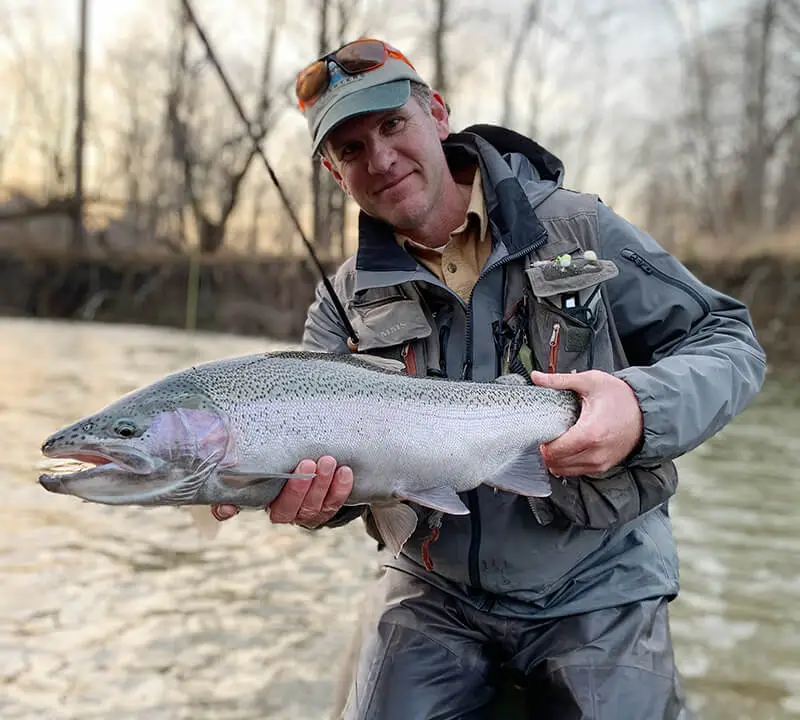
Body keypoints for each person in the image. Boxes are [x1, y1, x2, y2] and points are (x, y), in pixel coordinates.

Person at [212, 38, 767, 719]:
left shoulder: (578, 228)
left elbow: (729, 342)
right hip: (432, 589)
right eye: (351, 149)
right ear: (335, 174)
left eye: (392, 124)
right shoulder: (342, 300)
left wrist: (639, 408)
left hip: (600, 577)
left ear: (437, 115)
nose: (380, 159)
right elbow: (327, 472)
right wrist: (311, 499)